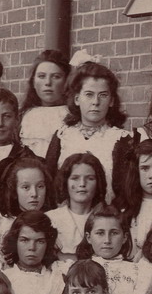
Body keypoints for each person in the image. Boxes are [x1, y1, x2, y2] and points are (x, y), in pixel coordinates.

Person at [44, 58, 133, 205]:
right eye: (89, 94)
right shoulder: (63, 136)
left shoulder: (121, 139)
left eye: (103, 95)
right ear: (77, 99)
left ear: (111, 101)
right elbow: (49, 182)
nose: (96, 102)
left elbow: (126, 191)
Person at [0, 210, 67, 294]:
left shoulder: (57, 278)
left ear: (48, 244)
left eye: (40, 241)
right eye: (24, 240)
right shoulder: (3, 278)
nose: (32, 248)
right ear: (15, 242)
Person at [47, 152, 104, 258]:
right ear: (65, 182)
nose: (82, 184)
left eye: (90, 178)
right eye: (75, 178)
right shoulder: (50, 218)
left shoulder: (105, 219)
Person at [18, 49, 71, 157]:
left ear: (66, 82)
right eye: (41, 76)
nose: (48, 83)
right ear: (33, 82)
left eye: (56, 77)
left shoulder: (73, 116)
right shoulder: (23, 116)